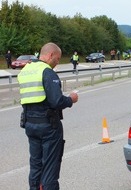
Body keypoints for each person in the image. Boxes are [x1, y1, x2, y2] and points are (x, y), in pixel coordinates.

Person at [17, 42, 78, 190]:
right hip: (48, 126)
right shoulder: (47, 71)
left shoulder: (26, 70)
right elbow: (56, 101)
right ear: (50, 55)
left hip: (30, 124)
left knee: (36, 164)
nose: (56, 63)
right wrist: (71, 99)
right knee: (50, 167)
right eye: (57, 59)